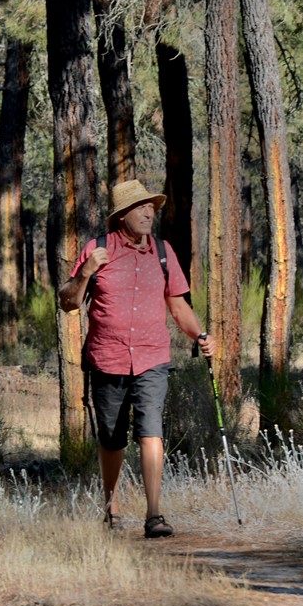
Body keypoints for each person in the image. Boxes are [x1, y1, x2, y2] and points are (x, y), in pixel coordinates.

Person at [57, 179, 213, 538]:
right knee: (112, 438)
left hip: (152, 356)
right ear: (122, 215)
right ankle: (110, 507)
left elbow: (178, 305)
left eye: (151, 207)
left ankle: (154, 514)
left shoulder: (162, 252)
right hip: (106, 357)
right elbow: (68, 302)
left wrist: (200, 335)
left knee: (150, 429)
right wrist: (85, 272)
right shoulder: (97, 249)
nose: (149, 212)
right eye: (141, 207)